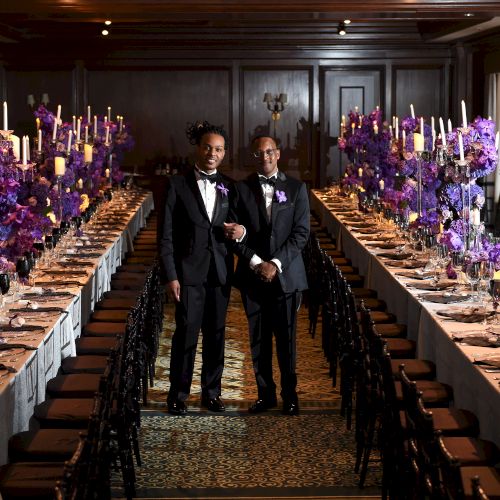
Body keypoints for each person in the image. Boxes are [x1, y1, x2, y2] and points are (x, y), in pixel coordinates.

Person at [225, 135, 310, 415]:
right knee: (258, 339)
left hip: (285, 276)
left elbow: (301, 234)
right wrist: (257, 262)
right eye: (259, 154)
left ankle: (290, 395)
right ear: (254, 157)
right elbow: (233, 234)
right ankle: (265, 395)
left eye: (269, 152)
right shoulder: (241, 189)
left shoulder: (296, 189)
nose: (265, 157)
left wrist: (275, 263)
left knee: (286, 340)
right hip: (253, 276)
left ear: (278, 154)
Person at [160, 121, 234, 415]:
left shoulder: (230, 186)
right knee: (186, 335)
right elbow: (165, 236)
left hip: (219, 272)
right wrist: (171, 275)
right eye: (207, 147)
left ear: (224, 153)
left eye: (217, 149)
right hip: (188, 273)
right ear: (198, 148)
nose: (211, 153)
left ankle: (212, 393)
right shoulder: (176, 185)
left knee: (216, 335)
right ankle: (177, 395)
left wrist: (240, 231)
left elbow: (239, 226)